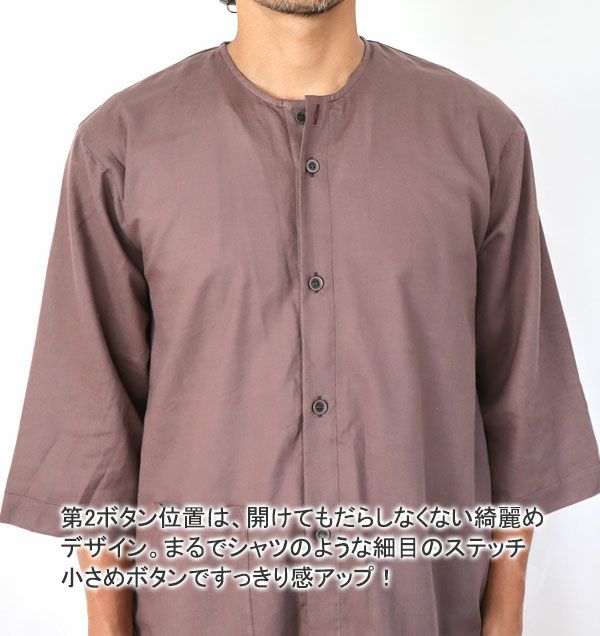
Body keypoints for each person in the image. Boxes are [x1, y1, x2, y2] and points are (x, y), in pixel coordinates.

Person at [1, 1, 599, 634]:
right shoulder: (120, 147)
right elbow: (94, 433)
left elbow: (522, 407)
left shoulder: (481, 137)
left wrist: (504, 618)